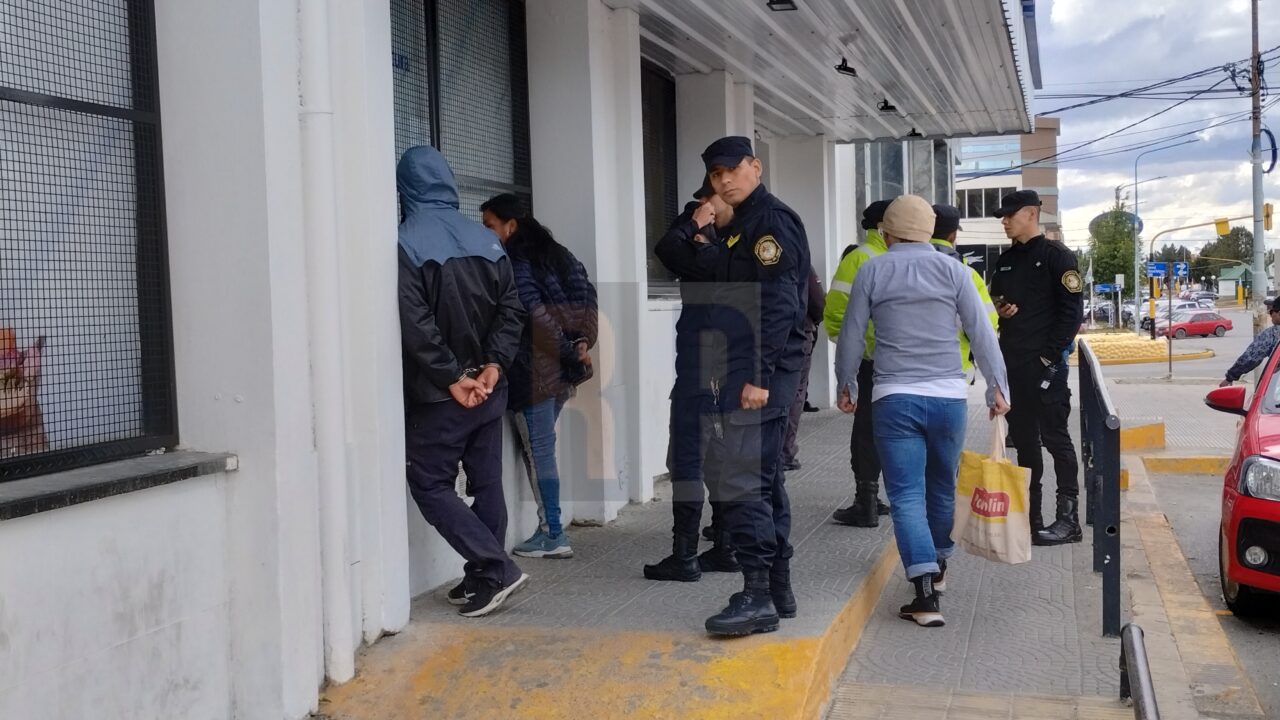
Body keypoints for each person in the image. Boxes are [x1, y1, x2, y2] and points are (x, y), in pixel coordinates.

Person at [835, 195, 1010, 628]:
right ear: (929, 231)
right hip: (948, 397)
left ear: (886, 232)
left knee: (906, 495)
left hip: (894, 397)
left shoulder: (872, 269)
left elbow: (852, 334)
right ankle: (940, 561)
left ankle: (924, 592)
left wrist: (847, 383)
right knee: (941, 487)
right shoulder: (956, 270)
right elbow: (982, 333)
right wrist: (997, 388)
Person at [397, 146, 528, 617]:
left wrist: (452, 376)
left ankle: (497, 568)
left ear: (404, 188)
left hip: (440, 396)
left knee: (429, 483)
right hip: (490, 388)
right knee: (487, 482)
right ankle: (484, 578)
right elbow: (512, 309)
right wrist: (494, 365)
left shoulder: (406, 241)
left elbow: (415, 323)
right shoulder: (486, 239)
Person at [698, 136, 809, 637]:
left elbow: (780, 305)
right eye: (715, 174)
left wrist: (758, 378)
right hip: (743, 370)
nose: (724, 180)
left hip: (759, 375)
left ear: (755, 167)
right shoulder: (740, 226)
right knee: (764, 481)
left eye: (732, 170)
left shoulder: (769, 222)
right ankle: (777, 589)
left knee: (743, 481)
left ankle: (757, 595)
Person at [480, 194, 598, 560]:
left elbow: (533, 315)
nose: (485, 234)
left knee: (540, 453)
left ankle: (553, 533)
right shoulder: (559, 255)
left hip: (534, 373)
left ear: (510, 225)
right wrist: (581, 343)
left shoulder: (515, 263)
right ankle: (549, 529)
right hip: (563, 374)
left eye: (489, 226)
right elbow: (588, 300)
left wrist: (567, 348)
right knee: (541, 450)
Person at [643, 177, 742, 581]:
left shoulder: (719, 251)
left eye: (707, 201)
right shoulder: (732, 244)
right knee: (717, 458)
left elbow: (667, 247)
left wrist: (695, 226)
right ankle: (725, 546)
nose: (702, 206)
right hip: (723, 367)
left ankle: (684, 555)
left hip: (702, 370)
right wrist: (698, 228)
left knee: (687, 459)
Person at [988, 190, 1084, 546]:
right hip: (1014, 366)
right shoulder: (1006, 260)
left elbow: (1072, 314)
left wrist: (1048, 357)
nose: (1004, 221)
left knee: (1057, 440)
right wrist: (1000, 308)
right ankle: (1031, 518)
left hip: (1046, 368)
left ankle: (1068, 520)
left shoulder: (1058, 256)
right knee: (1026, 445)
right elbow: (996, 298)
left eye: (1009, 215)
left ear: (1031, 214)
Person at [825, 200, 893, 527]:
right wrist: (860, 350)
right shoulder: (861, 258)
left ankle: (870, 499)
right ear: (882, 225)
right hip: (873, 362)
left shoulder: (892, 255)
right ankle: (867, 500)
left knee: (878, 430)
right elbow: (836, 315)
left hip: (889, 362)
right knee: (868, 429)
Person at [931, 204, 1000, 374]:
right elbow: (986, 326)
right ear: (953, 235)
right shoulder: (967, 274)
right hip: (954, 369)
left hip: (906, 372)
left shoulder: (902, 268)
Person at [782, 269, 824, 471]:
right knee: (795, 393)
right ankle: (785, 453)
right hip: (799, 333)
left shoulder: (750, 257)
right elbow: (817, 301)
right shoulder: (800, 262)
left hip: (761, 334)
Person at [1221, 298, 1280, 386]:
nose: (1270, 314)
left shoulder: (1273, 333)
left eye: (1271, 311)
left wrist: (1230, 377)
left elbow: (1250, 358)